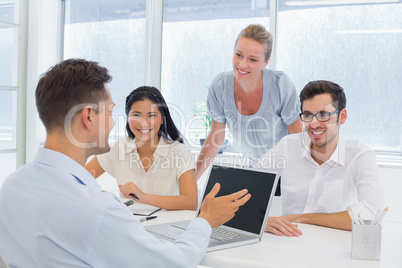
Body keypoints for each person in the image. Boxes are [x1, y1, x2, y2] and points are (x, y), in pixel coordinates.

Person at [0, 59, 251, 267]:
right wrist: (205, 220)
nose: (113, 122)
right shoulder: (101, 213)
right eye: (109, 112)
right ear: (88, 116)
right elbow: (176, 263)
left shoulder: (10, 187)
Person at [256, 80, 384, 237]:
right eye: (308, 115)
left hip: (333, 248)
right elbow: (247, 188)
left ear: (342, 116)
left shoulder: (359, 155)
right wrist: (261, 220)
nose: (314, 124)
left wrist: (303, 218)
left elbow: (372, 214)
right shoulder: (287, 146)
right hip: (288, 244)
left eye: (323, 114)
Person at [195, 24, 302, 180]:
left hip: (288, 171)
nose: (243, 64)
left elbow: (297, 140)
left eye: (252, 59)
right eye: (239, 55)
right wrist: (192, 180)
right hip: (255, 170)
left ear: (266, 62)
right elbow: (216, 138)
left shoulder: (280, 85)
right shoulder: (220, 86)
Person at [85, 86, 198, 210]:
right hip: (128, 226)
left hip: (167, 227)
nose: (144, 123)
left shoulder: (179, 152)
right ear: (127, 117)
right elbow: (76, 179)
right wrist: (102, 197)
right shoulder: (117, 149)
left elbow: (190, 202)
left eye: (151, 115)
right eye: (137, 115)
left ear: (162, 119)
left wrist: (144, 197)